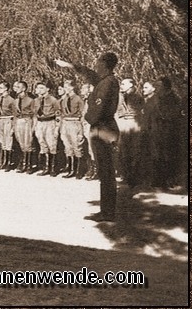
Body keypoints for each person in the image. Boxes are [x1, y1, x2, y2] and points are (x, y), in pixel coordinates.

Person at [56, 53, 120, 222]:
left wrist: (89, 119)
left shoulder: (108, 82)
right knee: (104, 170)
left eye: (98, 62)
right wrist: (70, 65)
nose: (96, 64)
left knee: (106, 171)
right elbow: (90, 74)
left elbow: (99, 105)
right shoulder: (105, 80)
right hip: (102, 126)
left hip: (102, 127)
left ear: (105, 64)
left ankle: (108, 212)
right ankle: (106, 210)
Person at [116, 77, 144, 188]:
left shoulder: (137, 97)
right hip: (123, 123)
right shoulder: (121, 96)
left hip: (133, 123)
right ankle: (127, 176)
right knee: (123, 150)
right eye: (121, 84)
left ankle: (134, 177)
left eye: (123, 84)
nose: (121, 85)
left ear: (131, 85)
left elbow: (139, 112)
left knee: (134, 150)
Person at [33, 80, 60, 177]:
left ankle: (53, 168)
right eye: (37, 88)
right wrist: (35, 126)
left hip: (50, 123)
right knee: (42, 144)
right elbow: (35, 114)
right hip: (40, 123)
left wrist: (57, 128)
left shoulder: (53, 100)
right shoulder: (36, 101)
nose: (38, 90)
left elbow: (58, 115)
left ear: (47, 89)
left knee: (52, 145)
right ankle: (45, 167)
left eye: (41, 88)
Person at [59, 79, 84, 179]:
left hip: (75, 122)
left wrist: (81, 130)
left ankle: (79, 170)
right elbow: (61, 113)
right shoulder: (64, 99)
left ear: (72, 87)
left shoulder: (78, 99)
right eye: (65, 87)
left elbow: (82, 114)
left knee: (77, 146)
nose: (65, 89)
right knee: (67, 146)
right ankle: (71, 169)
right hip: (65, 123)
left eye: (67, 87)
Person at [13, 80, 35, 173]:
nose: (16, 89)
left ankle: (29, 164)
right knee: (21, 142)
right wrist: (14, 124)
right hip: (19, 121)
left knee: (27, 142)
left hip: (27, 121)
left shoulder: (30, 100)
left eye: (18, 87)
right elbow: (14, 114)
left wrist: (33, 126)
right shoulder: (16, 100)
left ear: (24, 88)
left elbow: (34, 114)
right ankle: (23, 163)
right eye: (16, 87)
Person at [0, 82, 16, 171]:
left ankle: (8, 162)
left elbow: (15, 114)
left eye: (1, 87)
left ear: (6, 88)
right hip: (0, 120)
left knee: (8, 141)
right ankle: (2, 161)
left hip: (8, 120)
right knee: (1, 141)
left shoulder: (11, 100)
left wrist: (13, 126)